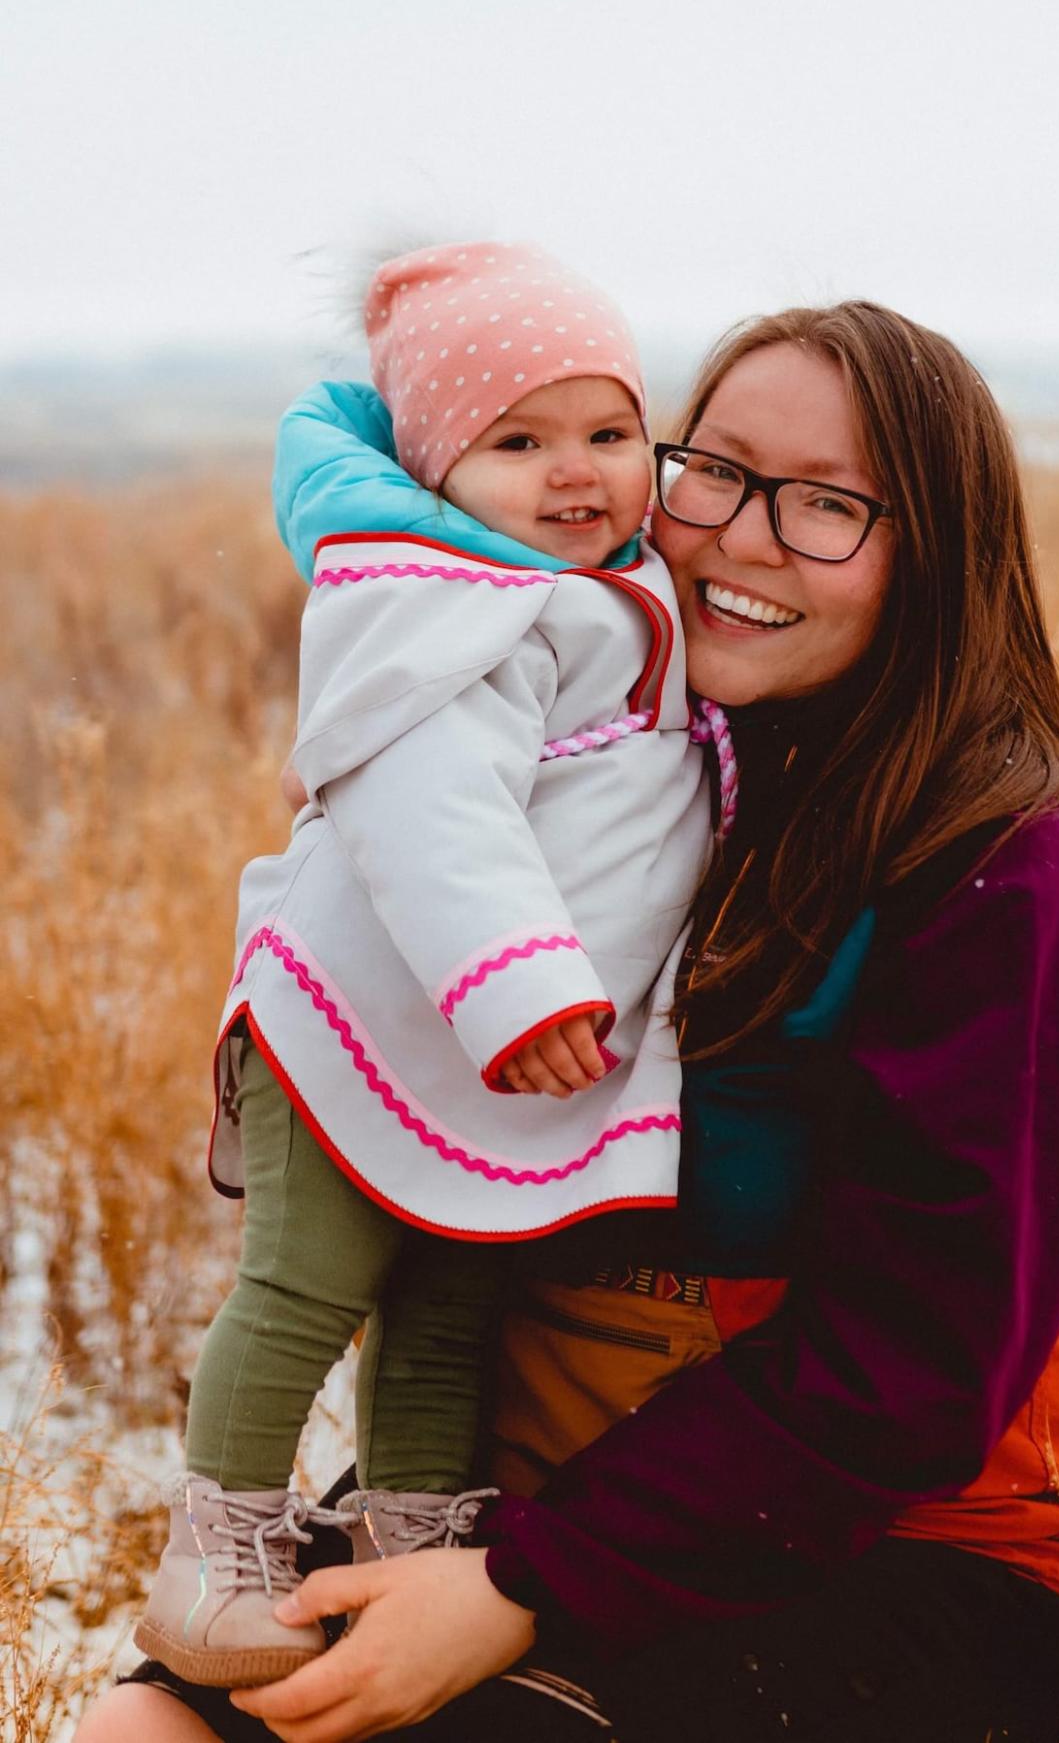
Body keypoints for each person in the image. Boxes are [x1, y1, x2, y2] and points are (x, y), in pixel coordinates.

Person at [81, 297, 1059, 1743]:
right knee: (138, 1733)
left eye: (829, 506)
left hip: (904, 1554)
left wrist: (522, 1585)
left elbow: (897, 1380)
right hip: (532, 1488)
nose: (737, 534)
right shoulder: (646, 769)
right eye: (708, 469)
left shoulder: (1011, 887)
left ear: (936, 557)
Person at [131, 241, 713, 1687]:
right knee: (308, 1284)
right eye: (517, 443)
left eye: (606, 433)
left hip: (470, 1045)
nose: (573, 473)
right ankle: (215, 1553)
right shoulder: (450, 604)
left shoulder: (603, 584)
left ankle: (414, 1536)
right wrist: (520, 981)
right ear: (439, 469)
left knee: (455, 1301)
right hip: (364, 1020)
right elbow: (429, 806)